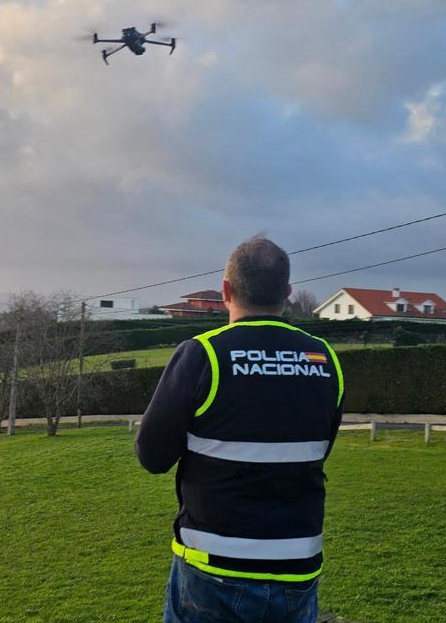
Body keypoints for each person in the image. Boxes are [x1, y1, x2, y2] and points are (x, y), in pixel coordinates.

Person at [135, 236, 344, 623]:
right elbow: (317, 449)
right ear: (287, 292)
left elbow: (152, 457)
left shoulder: (203, 354)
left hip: (212, 570)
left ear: (226, 290)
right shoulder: (324, 358)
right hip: (297, 568)